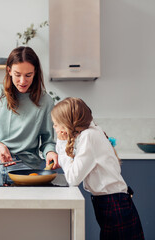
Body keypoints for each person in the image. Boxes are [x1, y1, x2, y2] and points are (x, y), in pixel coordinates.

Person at [51, 97, 145, 240]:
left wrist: (62, 143)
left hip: (114, 205)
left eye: (56, 124)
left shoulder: (89, 136)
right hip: (113, 203)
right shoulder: (89, 133)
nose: (54, 128)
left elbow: (72, 178)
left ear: (67, 124)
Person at [0, 46, 58, 174]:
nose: (23, 81)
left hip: (28, 167)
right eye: (18, 75)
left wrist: (50, 152)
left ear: (35, 73)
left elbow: (47, 141)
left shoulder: (46, 101)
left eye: (28, 75)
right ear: (9, 70)